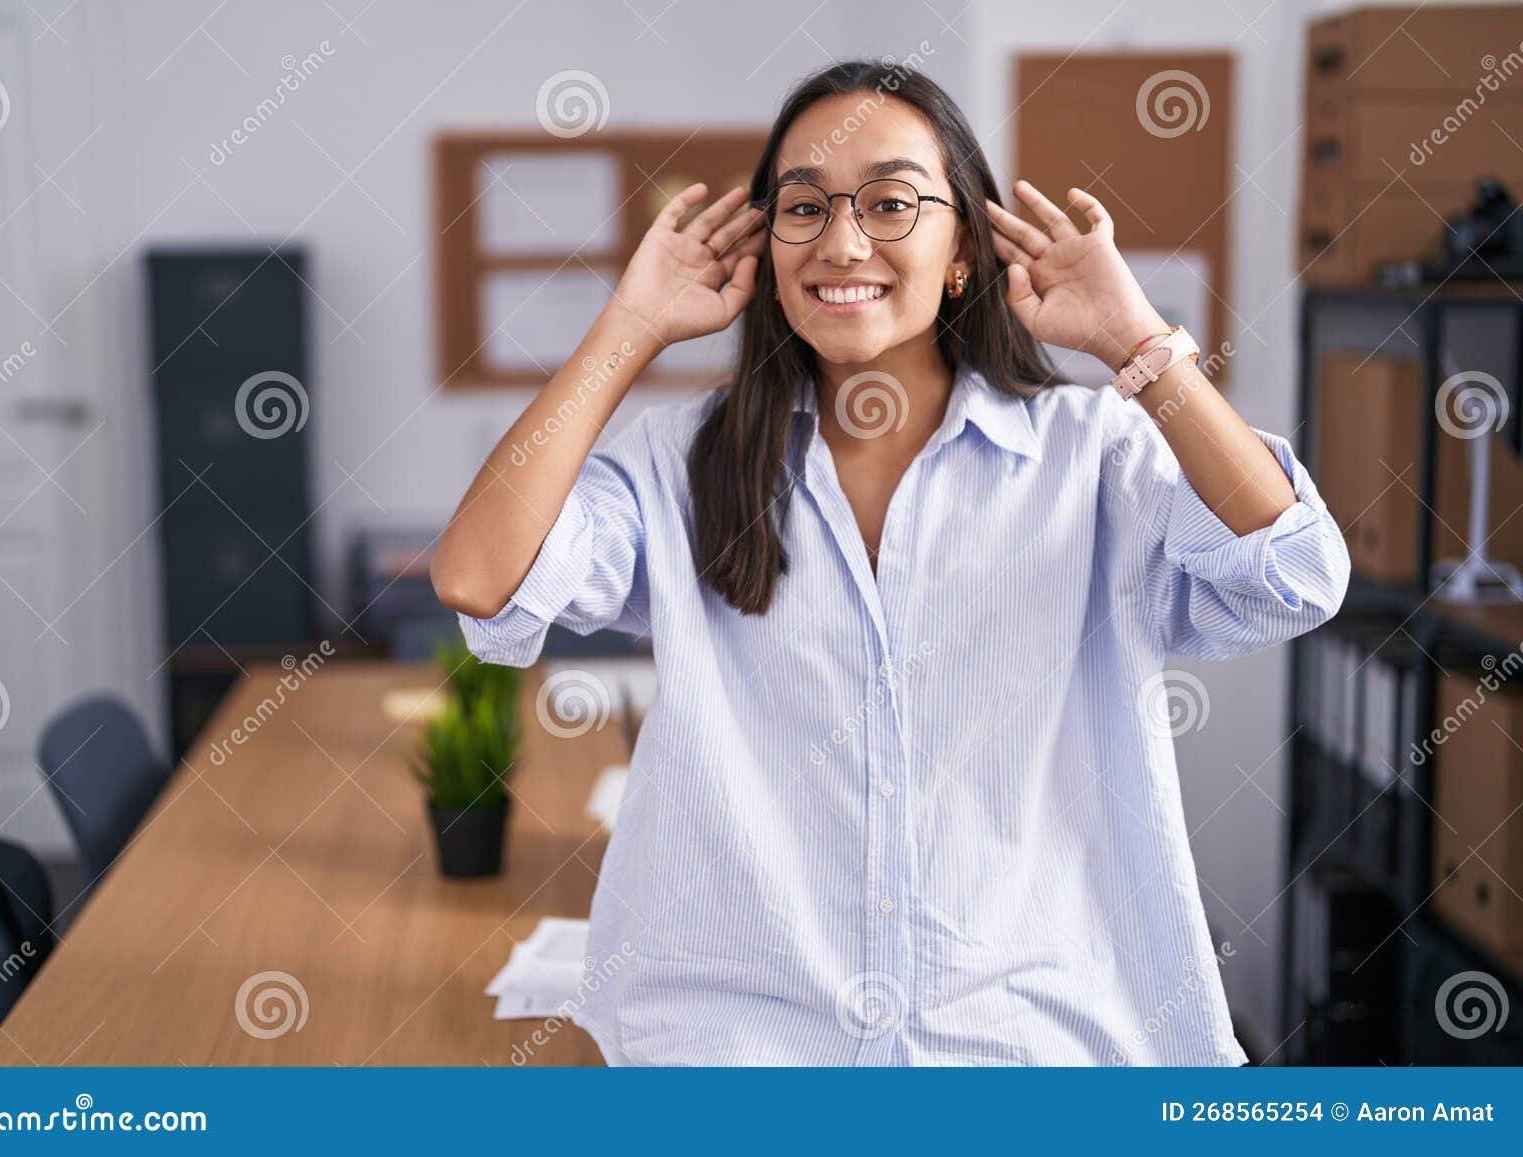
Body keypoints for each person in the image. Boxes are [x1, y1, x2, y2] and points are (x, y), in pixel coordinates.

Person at [432, 58, 1349, 1066]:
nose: (841, 240)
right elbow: (482, 578)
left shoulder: (1094, 456)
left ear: (964, 249)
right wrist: (629, 326)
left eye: (890, 202)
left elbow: (1292, 576)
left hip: (1031, 1054)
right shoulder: (681, 463)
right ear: (768, 249)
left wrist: (1135, 340)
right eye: (803, 208)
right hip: (739, 1054)